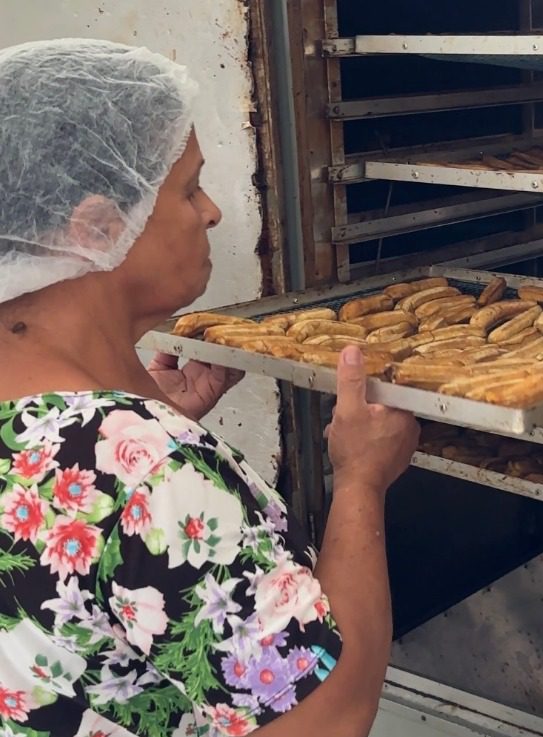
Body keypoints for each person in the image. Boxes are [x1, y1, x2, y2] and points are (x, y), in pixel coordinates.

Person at [0, 38, 419, 737]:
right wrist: (361, 479)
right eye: (189, 187)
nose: (213, 210)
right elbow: (327, 721)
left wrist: (148, 416)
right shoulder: (144, 474)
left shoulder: (82, 441)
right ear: (97, 227)